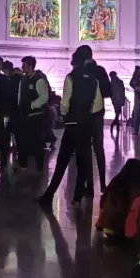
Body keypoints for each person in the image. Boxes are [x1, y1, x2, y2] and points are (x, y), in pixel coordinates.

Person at [37, 46, 103, 208]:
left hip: (73, 125)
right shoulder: (94, 80)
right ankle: (77, 197)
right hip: (86, 125)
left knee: (62, 162)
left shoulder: (71, 77)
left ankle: (48, 195)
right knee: (83, 161)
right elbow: (97, 105)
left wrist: (65, 113)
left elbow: (65, 103)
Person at [95, 158, 140, 241]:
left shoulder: (115, 182)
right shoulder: (135, 188)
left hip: (106, 227)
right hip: (122, 230)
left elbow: (103, 200)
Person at [109, 70, 127, 135]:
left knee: (117, 113)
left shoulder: (112, 83)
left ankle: (115, 126)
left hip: (116, 101)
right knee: (117, 113)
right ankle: (116, 126)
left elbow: (111, 93)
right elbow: (122, 92)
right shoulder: (119, 82)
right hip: (118, 100)